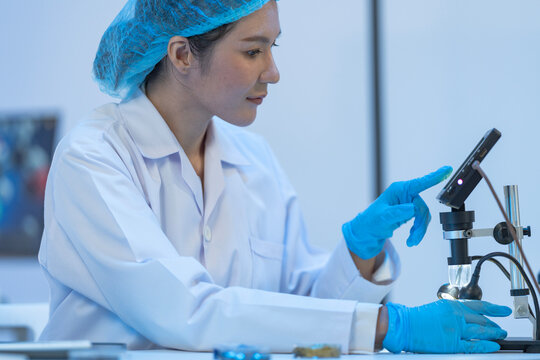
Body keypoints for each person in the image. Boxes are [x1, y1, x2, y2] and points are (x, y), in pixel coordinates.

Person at [38, 0, 512, 354]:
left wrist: (357, 255)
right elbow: (186, 310)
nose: (274, 71)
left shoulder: (253, 159)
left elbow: (296, 308)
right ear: (182, 55)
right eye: (253, 51)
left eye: (272, 47)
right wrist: (389, 326)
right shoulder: (94, 160)